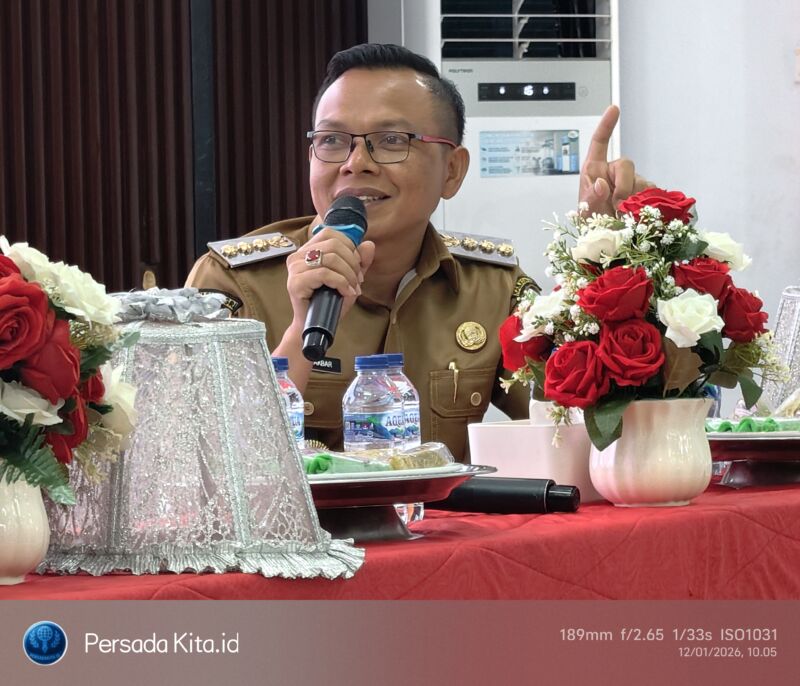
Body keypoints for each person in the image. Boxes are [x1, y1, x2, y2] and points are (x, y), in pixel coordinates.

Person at [186, 43, 651, 461]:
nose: (354, 162)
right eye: (331, 140)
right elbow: (199, 457)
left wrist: (607, 253)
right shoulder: (233, 284)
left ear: (452, 170)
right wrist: (300, 335)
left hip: (444, 550)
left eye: (391, 141)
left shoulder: (492, 287)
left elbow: (580, 424)